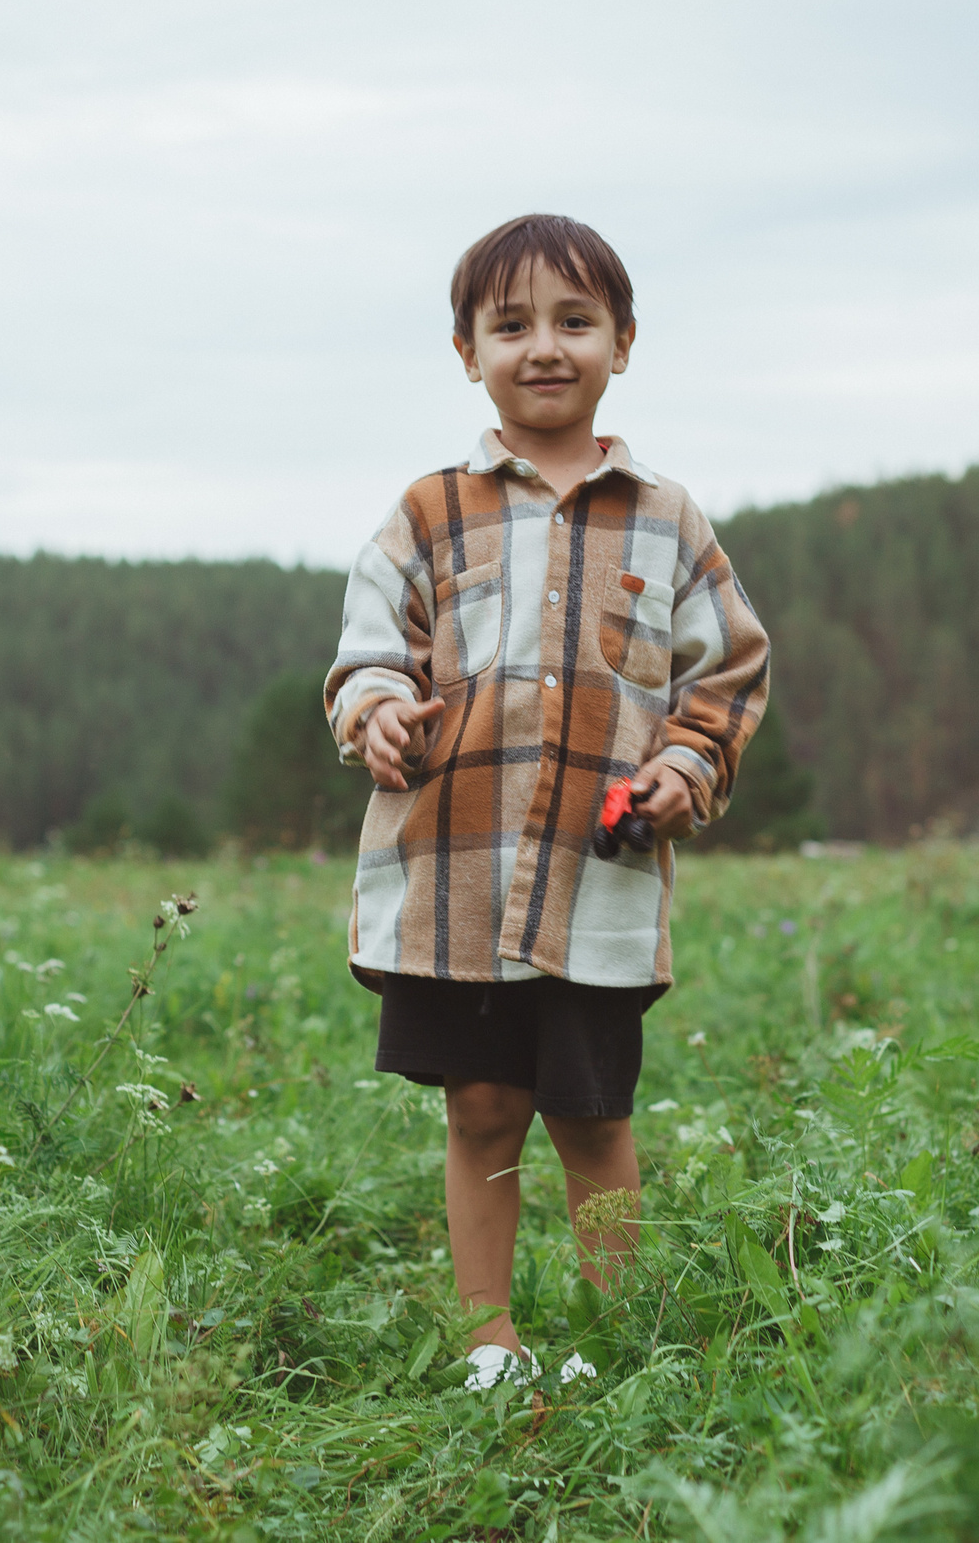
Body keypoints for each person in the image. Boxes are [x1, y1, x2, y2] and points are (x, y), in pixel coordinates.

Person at [324, 214, 771, 1392]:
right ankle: (489, 1342)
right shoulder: (427, 512)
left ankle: (614, 1337)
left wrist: (684, 766)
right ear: (467, 352)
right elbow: (373, 650)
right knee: (480, 1108)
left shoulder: (667, 518)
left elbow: (722, 674)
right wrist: (374, 710)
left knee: (589, 1118)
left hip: (596, 880)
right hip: (456, 874)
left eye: (574, 321)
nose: (544, 347)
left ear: (622, 342)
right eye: (510, 324)